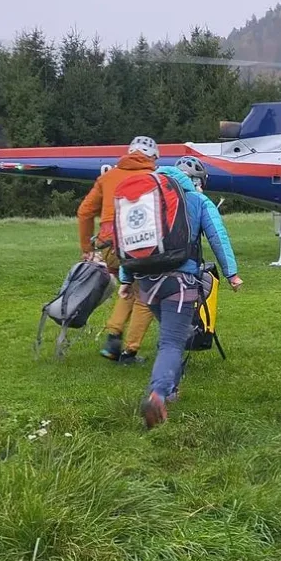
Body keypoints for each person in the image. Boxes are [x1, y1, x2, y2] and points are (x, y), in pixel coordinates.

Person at [118, 156, 243, 428]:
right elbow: (217, 237)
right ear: (196, 182)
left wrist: (125, 279)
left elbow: (129, 237)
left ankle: (171, 389)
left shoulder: (147, 196)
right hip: (181, 280)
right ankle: (158, 394)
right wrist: (231, 274)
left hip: (146, 282)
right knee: (172, 343)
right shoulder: (198, 200)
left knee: (171, 334)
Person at [77, 136, 157, 364]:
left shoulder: (107, 177)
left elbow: (84, 212)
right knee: (145, 293)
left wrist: (86, 247)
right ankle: (130, 351)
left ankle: (113, 337)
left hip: (109, 245)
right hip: (140, 244)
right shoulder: (154, 178)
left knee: (127, 287)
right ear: (153, 157)